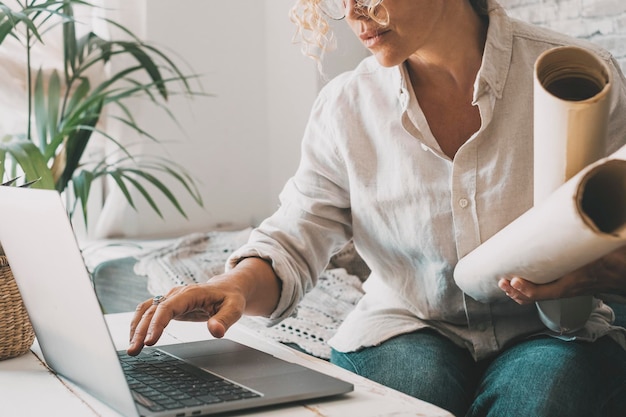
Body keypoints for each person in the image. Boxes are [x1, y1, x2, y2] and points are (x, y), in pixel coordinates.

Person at [128, 0, 626, 415]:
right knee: (406, 396)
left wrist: (595, 275)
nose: (353, 12)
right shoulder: (346, 105)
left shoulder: (579, 74)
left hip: (550, 329)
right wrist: (231, 285)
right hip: (406, 324)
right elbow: (296, 235)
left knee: (541, 396)